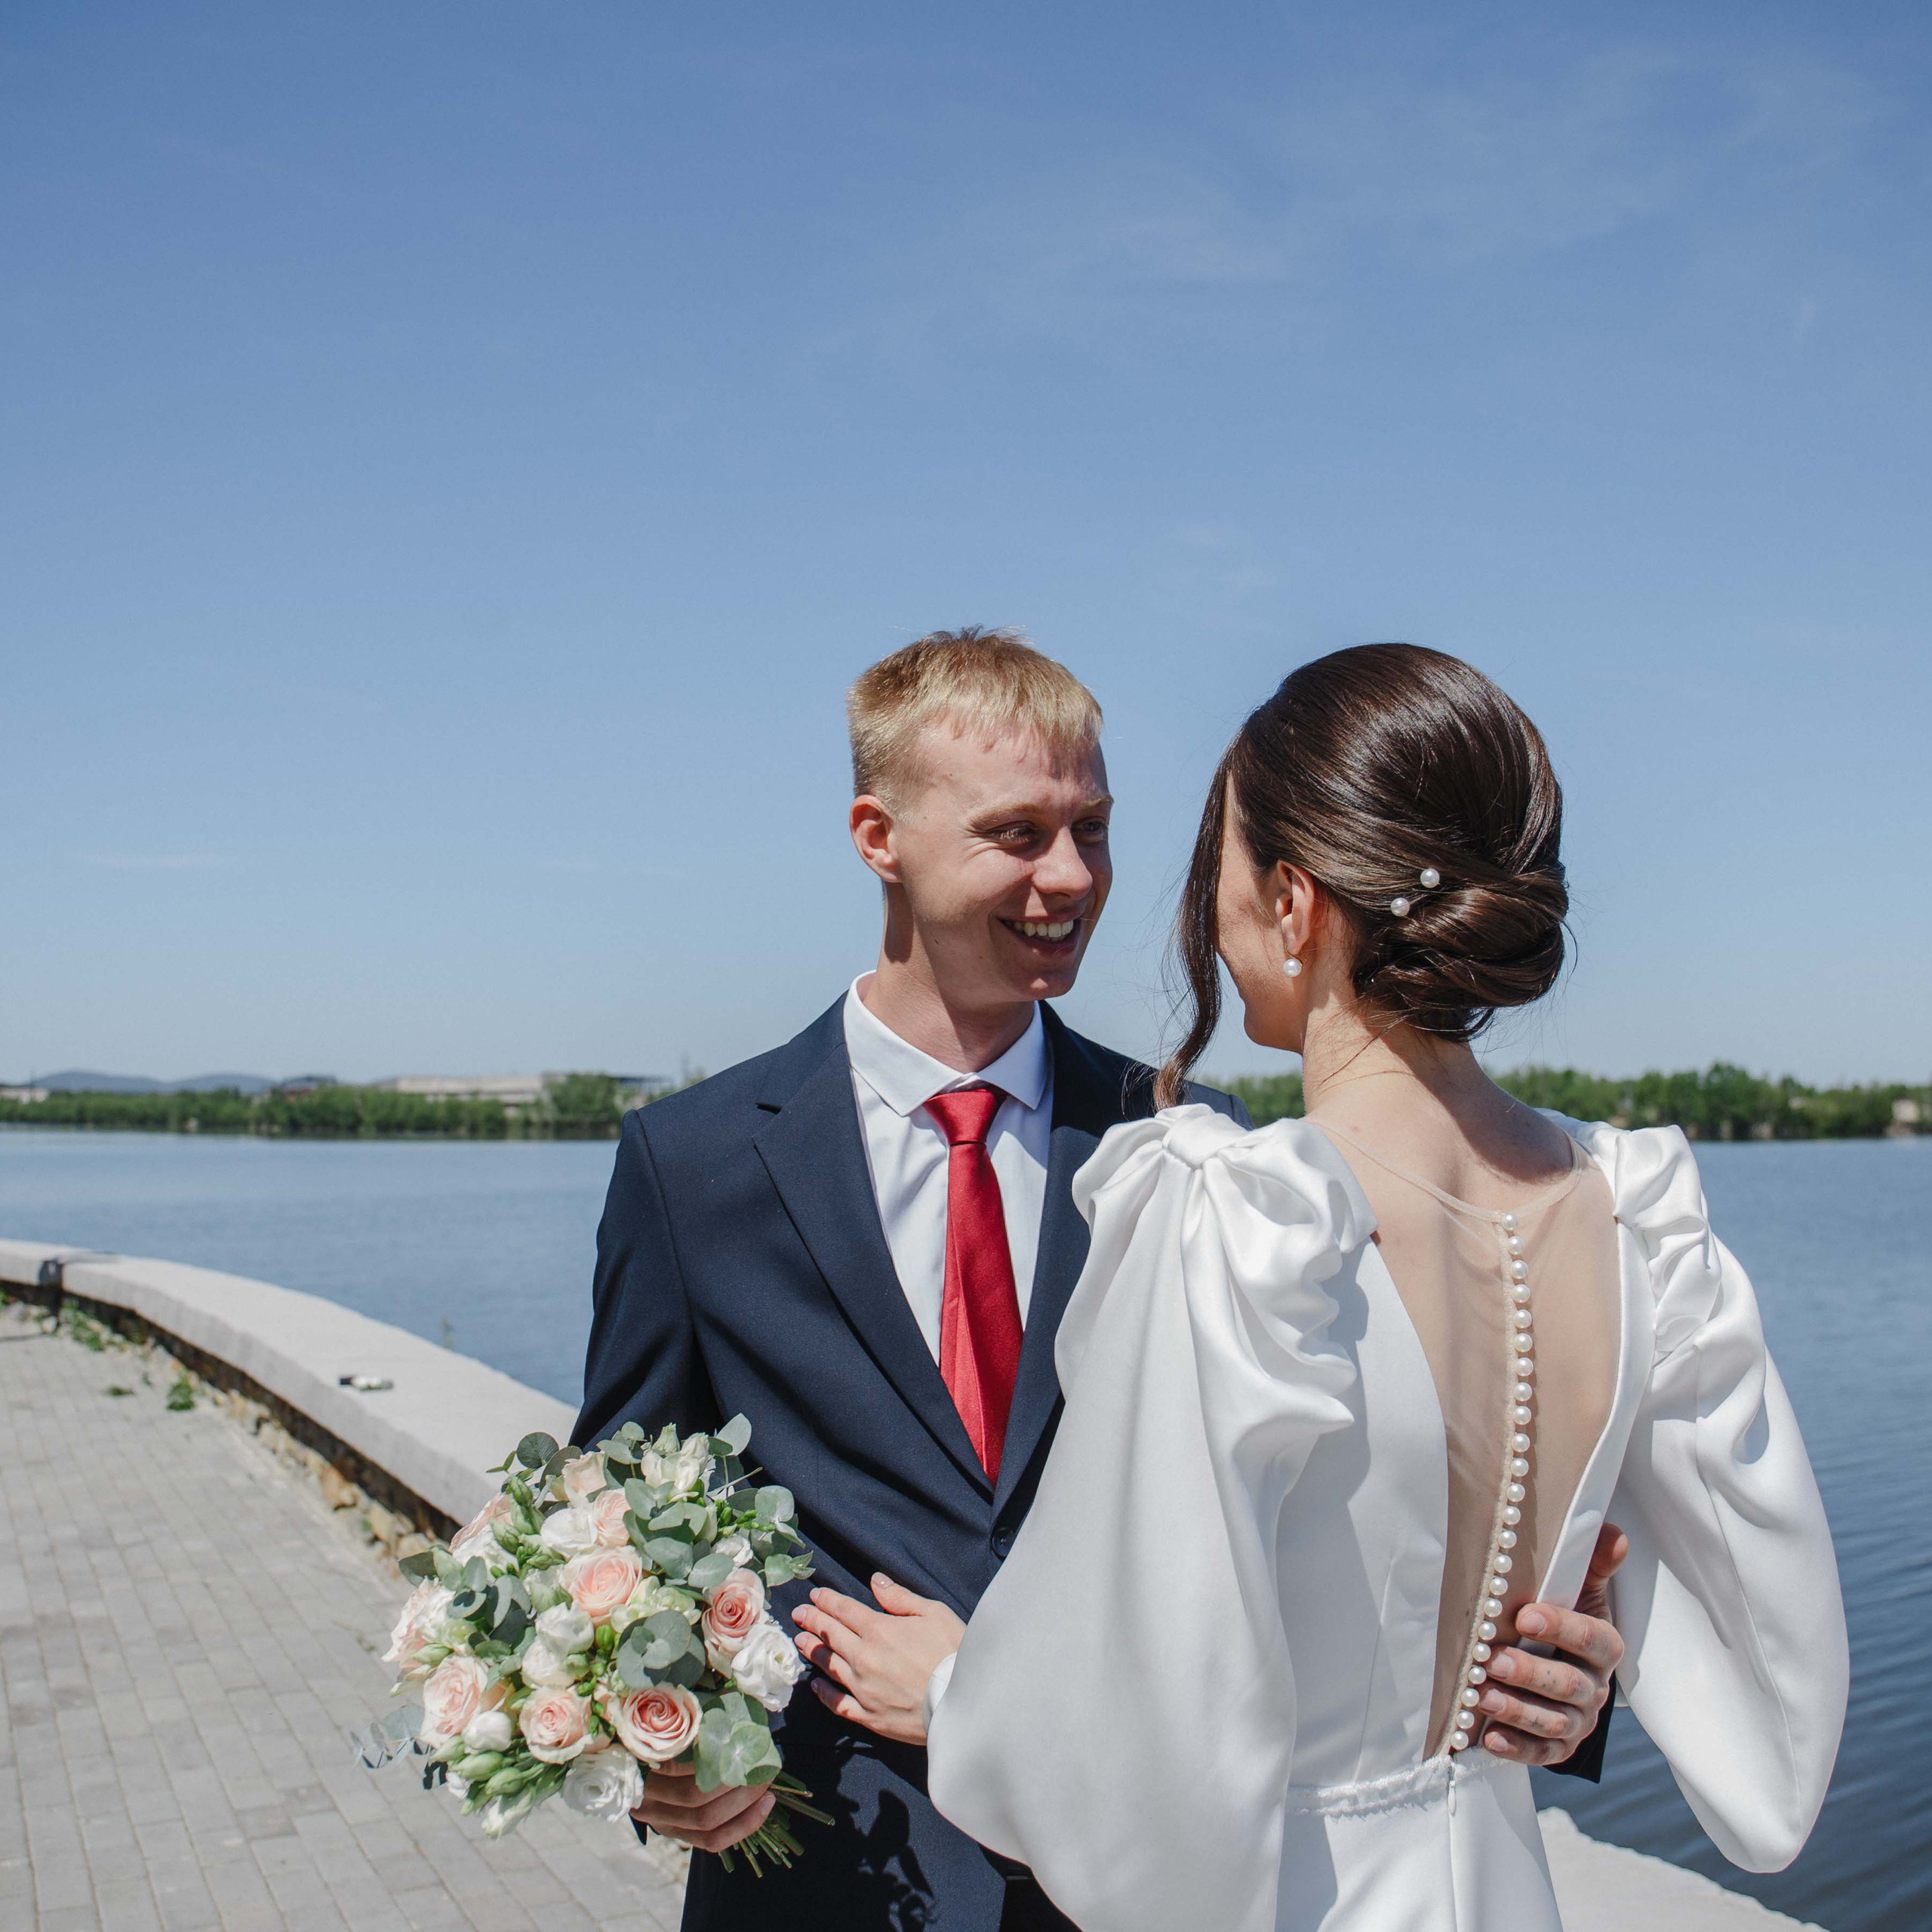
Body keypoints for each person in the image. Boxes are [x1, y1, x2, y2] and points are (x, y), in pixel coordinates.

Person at [574, 631, 1627, 1932]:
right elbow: (616, 1526)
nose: (1070, 878)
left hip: (1144, 1890)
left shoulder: (1204, 1151)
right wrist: (658, 1757)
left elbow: (1376, 1511)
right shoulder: (694, 1166)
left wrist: (1556, 1688)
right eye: (1017, 834)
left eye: (1096, 829)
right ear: (876, 835)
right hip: (831, 1881)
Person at [818, 642, 1847, 1931]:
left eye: (1223, 870)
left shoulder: (1240, 1218)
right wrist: (1587, 1668)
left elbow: (1133, 1740)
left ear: (1296, 903)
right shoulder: (1638, 1213)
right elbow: (1767, 1671)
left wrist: (963, 1694)